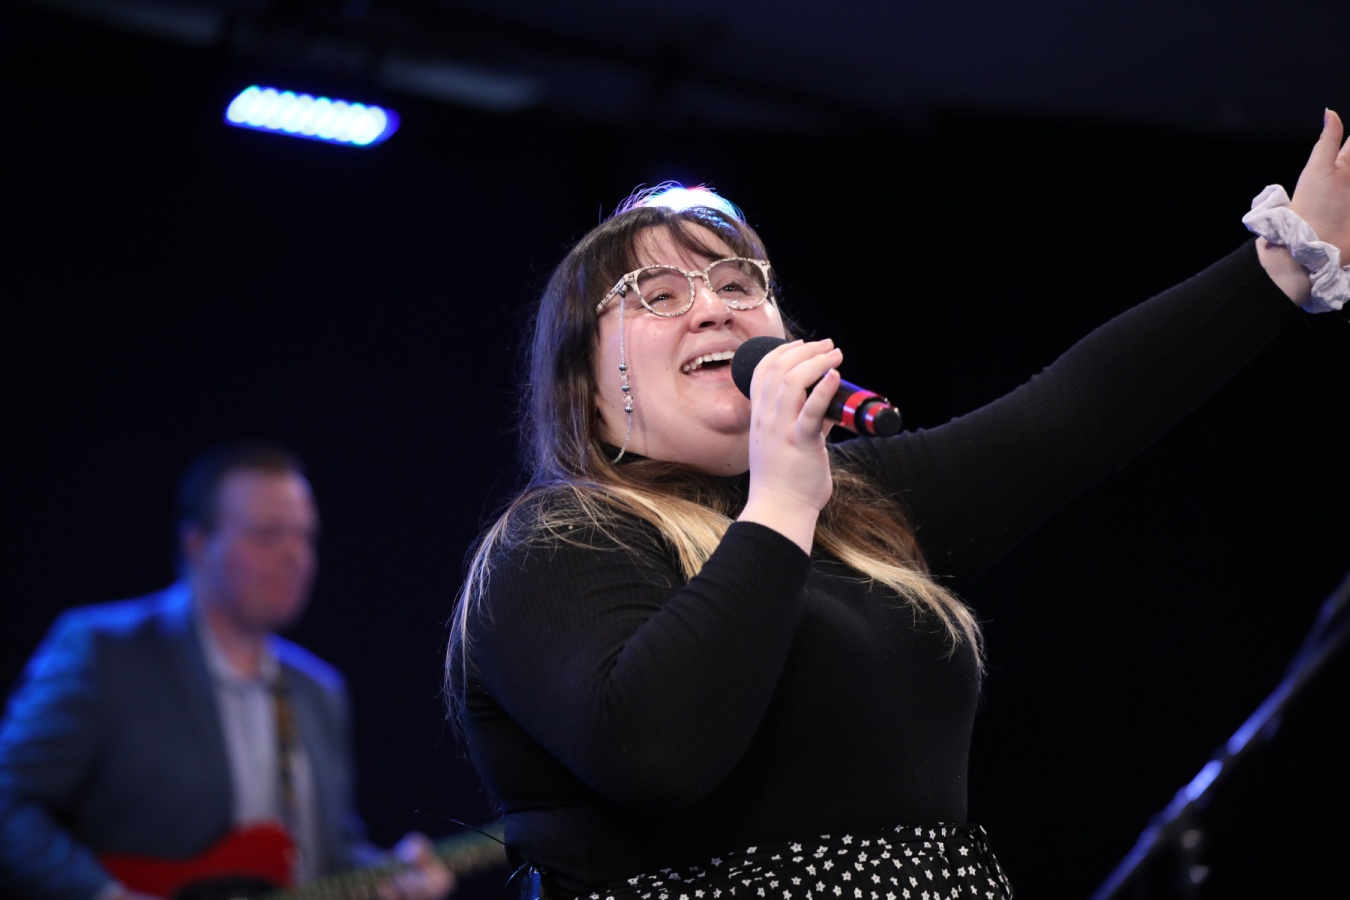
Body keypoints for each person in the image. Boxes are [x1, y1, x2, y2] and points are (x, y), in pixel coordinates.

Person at [443, 108, 1349, 900]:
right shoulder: (556, 543)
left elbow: (1069, 417)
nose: (715, 308)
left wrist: (1285, 260)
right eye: (659, 294)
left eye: (737, 283)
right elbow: (652, 752)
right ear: (587, 386)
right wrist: (780, 502)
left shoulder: (854, 510)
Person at [0, 442, 455, 900]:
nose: (295, 555)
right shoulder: (103, 653)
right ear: (197, 545)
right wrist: (107, 895)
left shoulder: (319, 691)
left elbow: (325, 855)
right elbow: (9, 802)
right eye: (269, 534)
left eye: (305, 536)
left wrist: (390, 874)